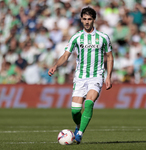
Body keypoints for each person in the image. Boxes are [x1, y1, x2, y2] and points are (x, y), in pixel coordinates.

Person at [48, 6, 113, 144]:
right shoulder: (76, 37)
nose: (87, 22)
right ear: (81, 20)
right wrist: (55, 66)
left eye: (89, 19)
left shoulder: (103, 37)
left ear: (94, 20)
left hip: (96, 76)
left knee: (89, 104)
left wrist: (108, 76)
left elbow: (110, 56)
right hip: (80, 77)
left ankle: (80, 133)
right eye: (84, 19)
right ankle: (78, 126)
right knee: (75, 111)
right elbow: (66, 55)